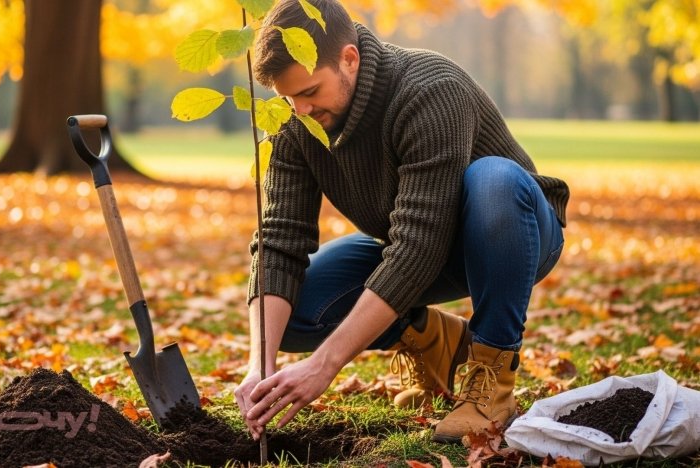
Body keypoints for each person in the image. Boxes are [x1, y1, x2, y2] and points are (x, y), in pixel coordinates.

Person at [233, 0, 568, 443]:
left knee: (495, 178)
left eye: (311, 92)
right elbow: (279, 238)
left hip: (512, 235)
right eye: (288, 98)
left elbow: (419, 244)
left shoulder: (430, 89)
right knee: (295, 312)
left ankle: (491, 380)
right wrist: (261, 362)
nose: (301, 110)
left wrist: (326, 364)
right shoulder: (296, 122)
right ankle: (434, 340)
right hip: (414, 246)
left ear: (349, 59)